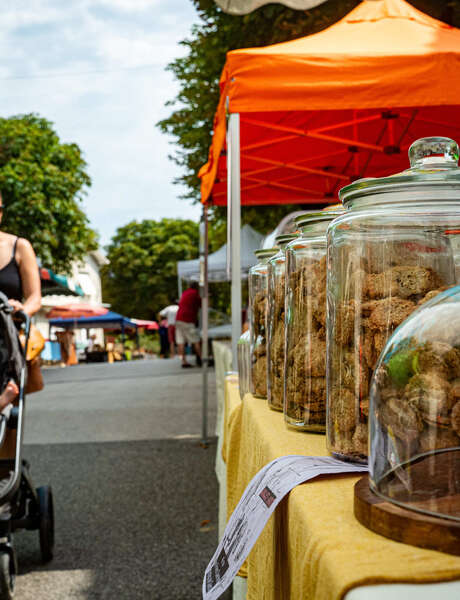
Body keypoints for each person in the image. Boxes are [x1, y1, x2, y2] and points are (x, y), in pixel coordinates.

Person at [175, 281, 202, 368]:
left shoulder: (185, 293)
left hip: (178, 319)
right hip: (188, 319)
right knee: (195, 340)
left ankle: (184, 361)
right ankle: (202, 359)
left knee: (181, 341)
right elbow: (202, 304)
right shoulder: (195, 293)